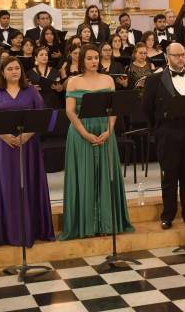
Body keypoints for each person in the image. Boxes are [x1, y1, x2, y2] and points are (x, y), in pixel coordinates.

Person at [0, 57, 55, 248]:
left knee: (27, 183)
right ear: (2, 72)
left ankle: (31, 229)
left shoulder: (31, 92)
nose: (14, 71)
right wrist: (6, 137)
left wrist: (25, 137)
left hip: (27, 146)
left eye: (17, 68)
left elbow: (42, 116)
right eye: (10, 68)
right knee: (5, 184)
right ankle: (4, 232)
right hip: (2, 147)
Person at [59, 44, 134, 239]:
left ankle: (107, 223)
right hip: (80, 131)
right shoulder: (74, 81)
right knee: (85, 176)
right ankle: (86, 225)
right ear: (81, 60)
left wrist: (109, 130)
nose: (94, 61)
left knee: (105, 175)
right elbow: (69, 111)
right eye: (89, 58)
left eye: (96, 58)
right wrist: (84, 133)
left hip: (104, 130)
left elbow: (114, 108)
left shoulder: (108, 79)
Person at [142, 42, 185, 229]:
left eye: (182, 54)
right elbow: (146, 108)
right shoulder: (154, 80)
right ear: (167, 57)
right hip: (167, 132)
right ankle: (167, 215)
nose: (180, 58)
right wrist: (158, 130)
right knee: (169, 176)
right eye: (176, 55)